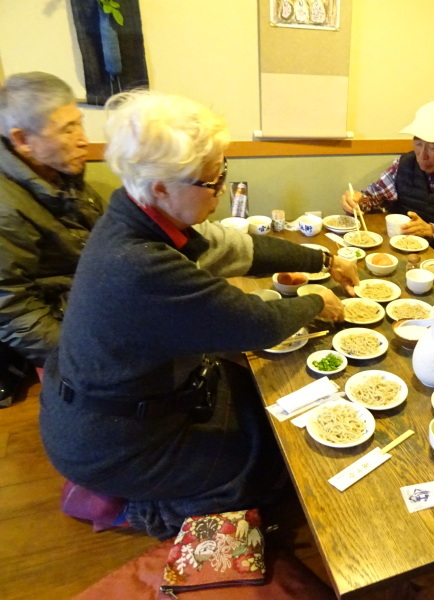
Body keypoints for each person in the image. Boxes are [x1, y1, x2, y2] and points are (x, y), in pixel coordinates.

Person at [39, 91, 359, 539]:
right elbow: (252, 323)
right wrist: (315, 304)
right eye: (211, 181)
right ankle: (133, 507)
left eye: (221, 173)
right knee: (271, 471)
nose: (222, 189)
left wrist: (322, 261)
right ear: (161, 186)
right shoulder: (140, 265)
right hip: (111, 439)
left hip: (134, 403)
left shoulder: (139, 213)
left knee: (258, 410)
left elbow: (234, 248)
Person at [0, 72, 104, 367]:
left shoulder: (59, 173)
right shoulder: (6, 208)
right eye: (68, 129)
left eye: (79, 123)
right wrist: (82, 361)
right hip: (65, 335)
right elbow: (13, 308)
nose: (84, 140)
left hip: (92, 308)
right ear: (22, 139)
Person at [341, 100, 434, 259]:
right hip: (399, 252)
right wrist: (357, 201)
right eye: (418, 143)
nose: (422, 154)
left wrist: (432, 231)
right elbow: (373, 198)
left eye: (433, 147)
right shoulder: (404, 164)